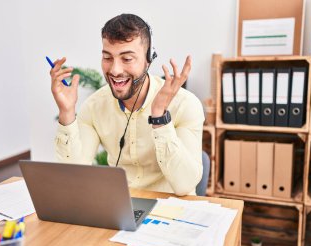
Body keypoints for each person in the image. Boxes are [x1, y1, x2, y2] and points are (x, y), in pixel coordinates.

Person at [50, 13, 204, 196]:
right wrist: (66, 112)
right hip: (119, 208)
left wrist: (160, 117)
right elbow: (73, 176)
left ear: (148, 59)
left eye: (127, 59)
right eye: (107, 58)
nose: (115, 70)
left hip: (170, 210)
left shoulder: (185, 104)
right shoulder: (94, 106)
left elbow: (184, 185)